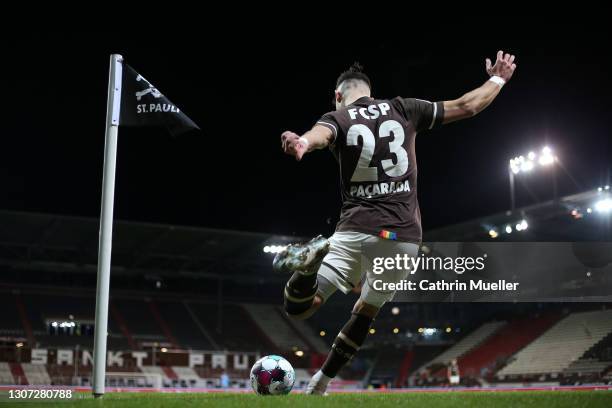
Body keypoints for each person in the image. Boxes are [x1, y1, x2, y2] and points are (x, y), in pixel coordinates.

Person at [275, 51, 517, 395]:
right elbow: (467, 106)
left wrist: (302, 142)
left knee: (299, 309)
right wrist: (498, 79)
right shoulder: (405, 108)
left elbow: (319, 134)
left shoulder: (338, 117)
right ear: (370, 91)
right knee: (366, 311)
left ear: (339, 96)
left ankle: (310, 268)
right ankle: (321, 383)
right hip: (402, 237)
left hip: (354, 229)